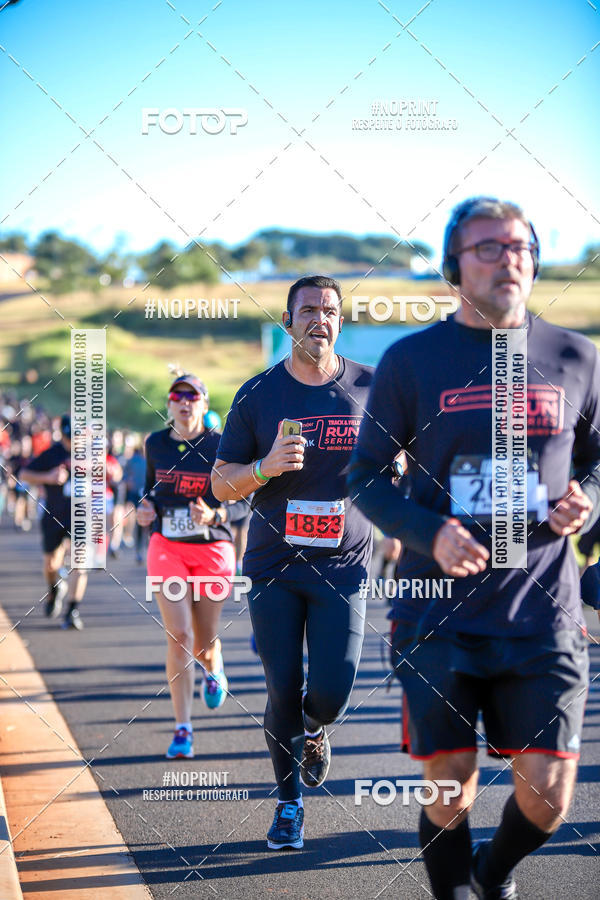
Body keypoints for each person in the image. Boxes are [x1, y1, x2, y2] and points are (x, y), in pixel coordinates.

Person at [348, 197, 600, 899]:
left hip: (541, 610)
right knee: (450, 788)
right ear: (453, 267)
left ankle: (492, 873)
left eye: (518, 246)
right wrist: (429, 532)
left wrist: (589, 497)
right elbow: (363, 476)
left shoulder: (576, 356)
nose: (506, 258)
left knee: (549, 795)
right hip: (436, 613)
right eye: (486, 248)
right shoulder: (412, 360)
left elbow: (598, 460)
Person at [211, 274, 373, 850]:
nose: (319, 319)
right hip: (275, 563)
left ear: (339, 321)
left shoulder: (371, 388)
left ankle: (314, 727)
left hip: (344, 564)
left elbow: (409, 452)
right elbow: (220, 484)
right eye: (308, 310)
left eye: (329, 310)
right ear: (288, 322)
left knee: (331, 690)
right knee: (283, 684)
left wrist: (397, 468)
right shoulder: (257, 395)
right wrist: (265, 467)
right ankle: (288, 805)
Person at [137, 374, 248, 760]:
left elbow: (242, 503)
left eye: (193, 397)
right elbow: (149, 490)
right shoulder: (155, 444)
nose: (184, 403)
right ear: (168, 405)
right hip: (167, 548)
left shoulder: (223, 445)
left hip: (213, 549)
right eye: (177, 397)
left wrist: (215, 513)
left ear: (204, 403)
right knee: (180, 636)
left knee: (204, 643)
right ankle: (183, 728)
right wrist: (144, 509)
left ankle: (214, 668)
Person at [20, 414, 89, 629]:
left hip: (81, 516)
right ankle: (54, 588)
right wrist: (48, 477)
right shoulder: (52, 454)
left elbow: (113, 473)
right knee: (51, 564)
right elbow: (24, 474)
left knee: (81, 565)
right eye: (71, 436)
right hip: (54, 515)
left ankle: (73, 610)